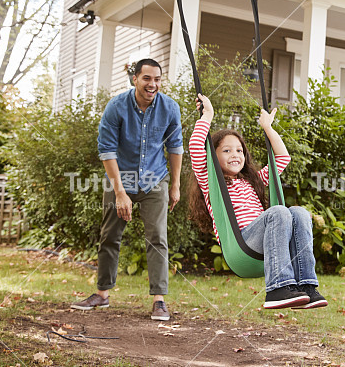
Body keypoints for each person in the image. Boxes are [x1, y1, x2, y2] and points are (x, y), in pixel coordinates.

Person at [188, 93, 327, 310]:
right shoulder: (211, 182)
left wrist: (268, 128)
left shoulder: (253, 180)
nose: (235, 155)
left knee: (299, 212)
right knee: (279, 212)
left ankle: (307, 286)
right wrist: (207, 115)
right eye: (226, 150)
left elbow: (282, 158)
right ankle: (277, 289)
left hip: (270, 241)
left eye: (239, 150)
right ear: (213, 156)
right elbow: (196, 148)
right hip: (241, 245)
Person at [71, 59, 183, 321]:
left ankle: (159, 300)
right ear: (135, 79)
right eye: (146, 78)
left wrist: (175, 185)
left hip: (155, 180)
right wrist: (120, 192)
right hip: (121, 178)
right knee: (109, 236)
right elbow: (107, 150)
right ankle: (102, 294)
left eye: (157, 79)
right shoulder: (116, 107)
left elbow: (175, 147)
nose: (152, 84)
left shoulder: (170, 108)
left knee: (157, 238)